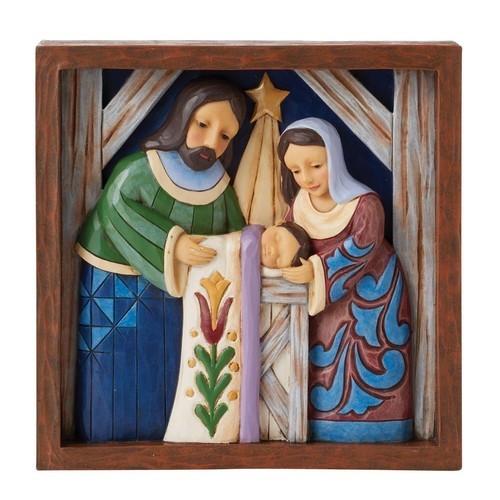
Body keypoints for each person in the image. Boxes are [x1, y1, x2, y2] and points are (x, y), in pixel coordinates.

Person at [75, 77, 247, 441]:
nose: (212, 142)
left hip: (180, 305)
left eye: (225, 136)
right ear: (182, 118)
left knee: (169, 373)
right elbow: (116, 207)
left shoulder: (221, 190)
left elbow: (240, 235)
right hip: (115, 289)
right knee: (113, 372)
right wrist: (175, 244)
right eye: (203, 124)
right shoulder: (139, 169)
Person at [277, 117, 413, 443]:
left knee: (369, 357)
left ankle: (382, 424)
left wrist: (315, 270)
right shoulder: (299, 205)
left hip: (370, 299)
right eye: (296, 170)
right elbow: (288, 237)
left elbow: (363, 247)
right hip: (323, 302)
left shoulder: (365, 204)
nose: (306, 178)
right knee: (323, 361)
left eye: (315, 166)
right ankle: (321, 423)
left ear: (334, 159)